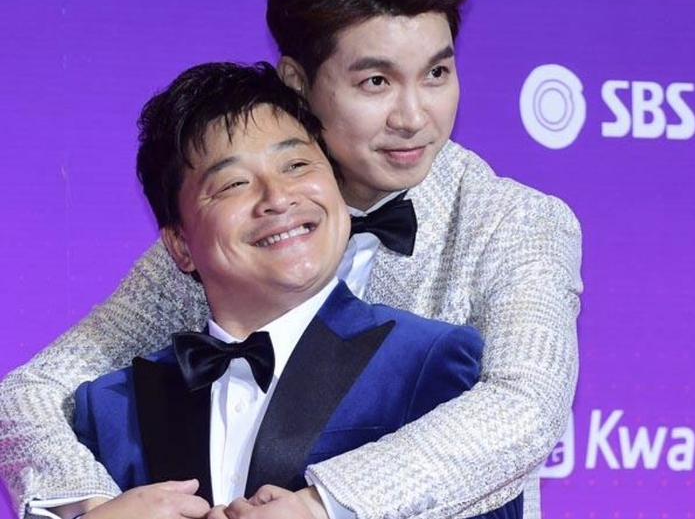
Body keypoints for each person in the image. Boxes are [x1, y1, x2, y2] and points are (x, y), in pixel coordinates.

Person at [0, 0, 583, 518]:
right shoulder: (228, 232)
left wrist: (324, 503)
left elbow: (524, 406)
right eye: (376, 82)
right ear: (297, 82)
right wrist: (91, 507)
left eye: (436, 73)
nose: (414, 117)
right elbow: (31, 393)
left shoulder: (515, 222)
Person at [69, 60, 521, 519]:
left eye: (297, 165)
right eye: (234, 183)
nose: (277, 197)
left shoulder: (428, 360)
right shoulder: (111, 409)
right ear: (180, 245)